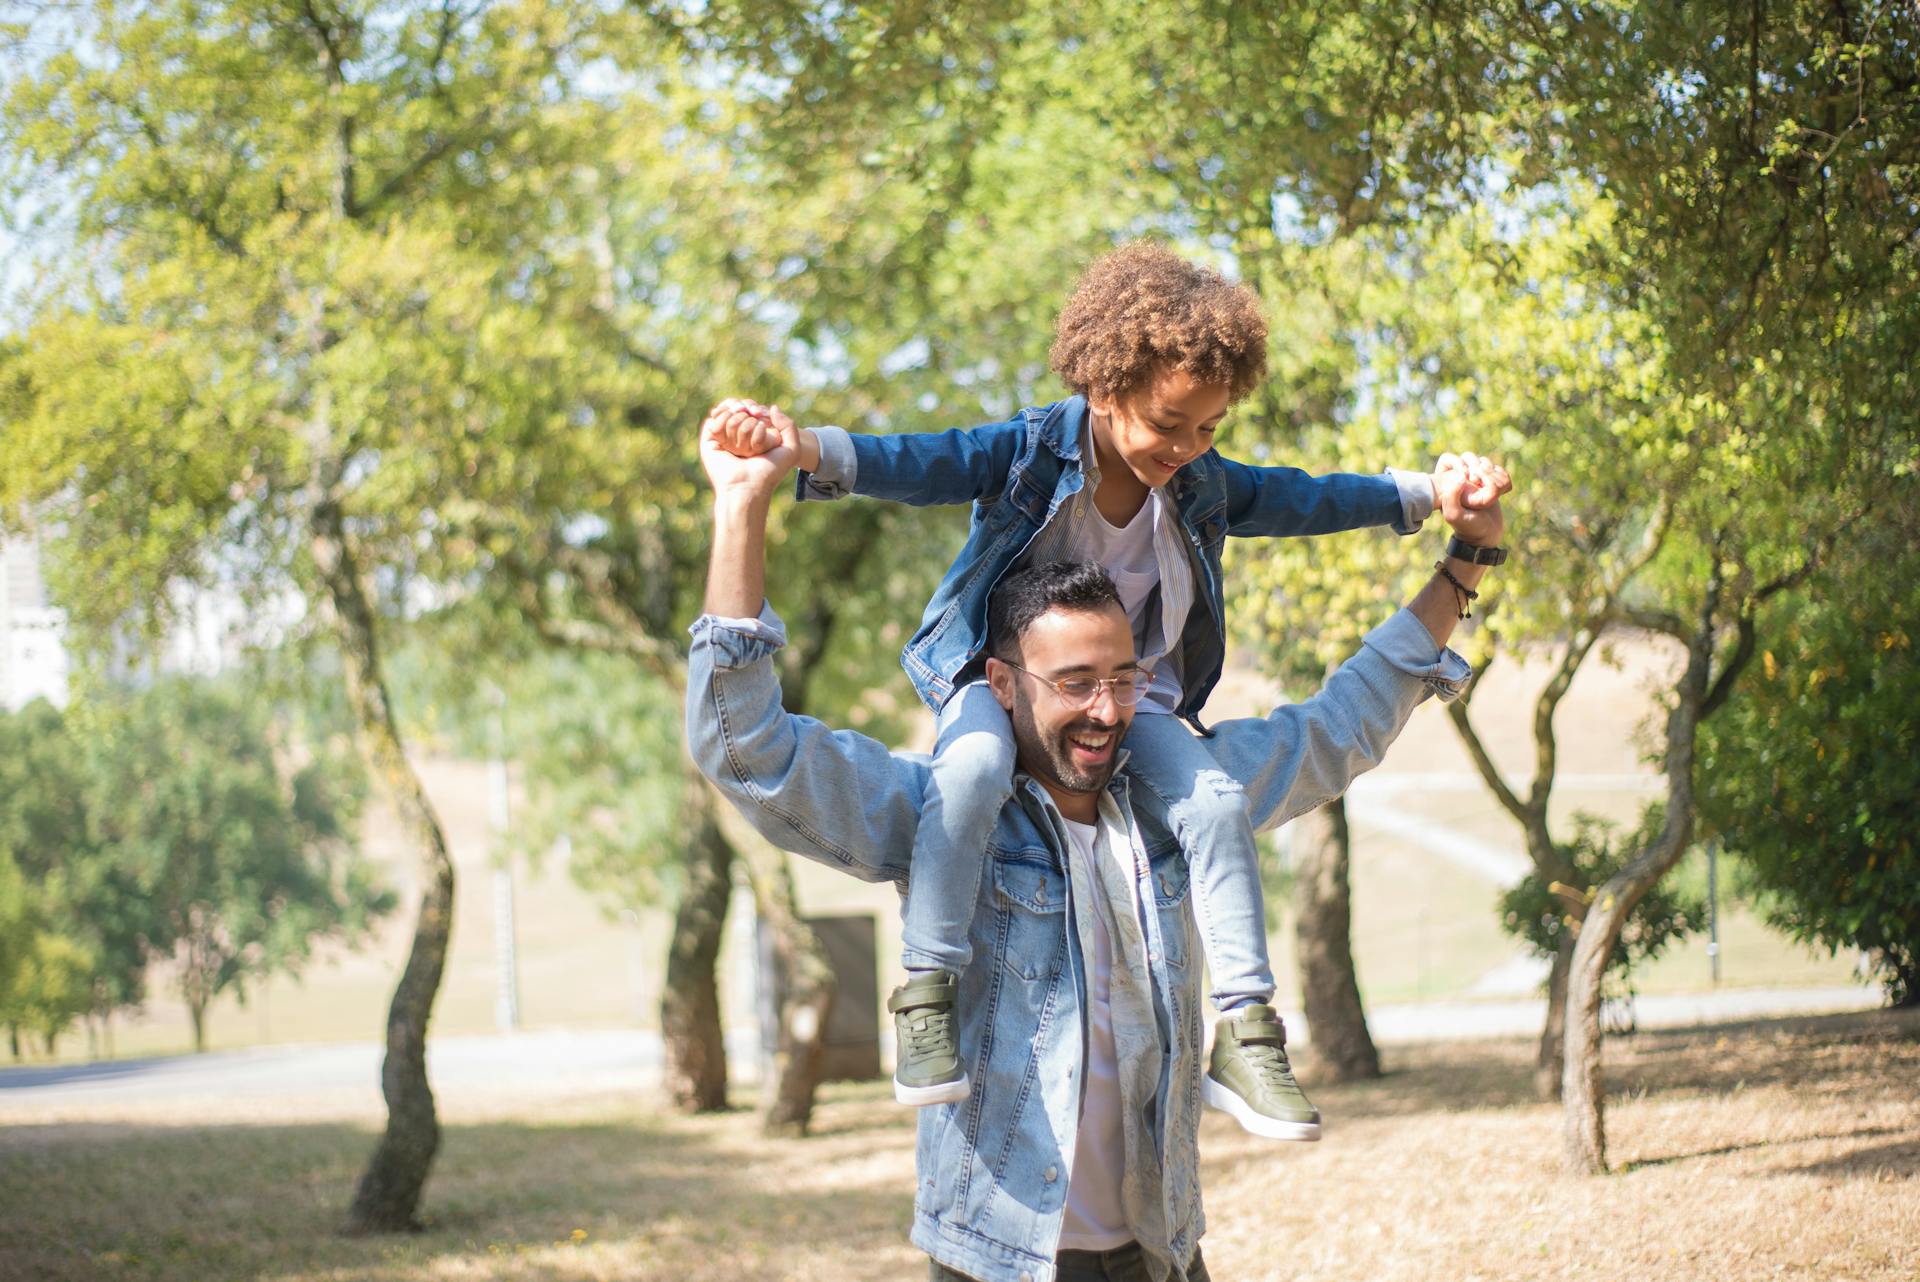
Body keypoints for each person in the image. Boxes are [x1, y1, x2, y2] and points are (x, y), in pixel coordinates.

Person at [685, 402, 1509, 1282]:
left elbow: (1341, 723)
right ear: (1000, 685)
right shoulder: (941, 817)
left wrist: (1465, 560)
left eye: (1124, 679)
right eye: (1075, 683)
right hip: (1001, 1262)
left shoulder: (1181, 806)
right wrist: (742, 506)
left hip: (1162, 1253)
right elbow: (749, 749)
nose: (1107, 710)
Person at [704, 241, 1506, 1142]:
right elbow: (921, 461)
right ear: (1104, 389)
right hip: (985, 678)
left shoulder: (1198, 483)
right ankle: (927, 990)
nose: (1187, 448)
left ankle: (1245, 1029)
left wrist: (1428, 500)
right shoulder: (1028, 453)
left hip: (1150, 697)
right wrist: (794, 450)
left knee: (1208, 801)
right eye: (1169, 423)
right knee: (967, 776)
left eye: (1208, 428)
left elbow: (1299, 498)